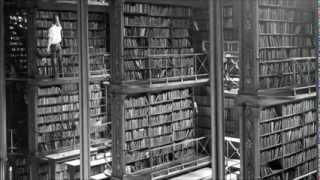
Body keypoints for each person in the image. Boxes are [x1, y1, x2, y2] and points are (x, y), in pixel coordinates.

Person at [47, 14, 63, 78]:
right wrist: (57, 19)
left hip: (53, 46)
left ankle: (55, 75)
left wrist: (48, 47)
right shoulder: (59, 28)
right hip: (59, 45)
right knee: (59, 60)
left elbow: (50, 39)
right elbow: (59, 25)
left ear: (51, 21)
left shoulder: (51, 29)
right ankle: (61, 74)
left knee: (53, 60)